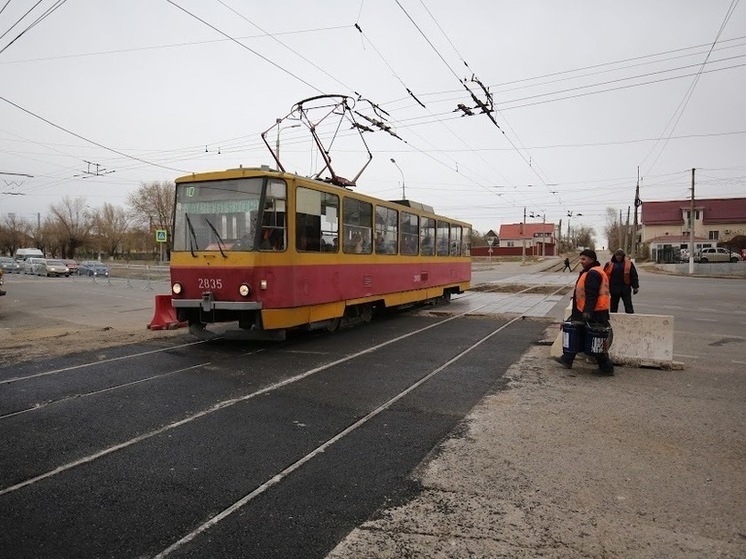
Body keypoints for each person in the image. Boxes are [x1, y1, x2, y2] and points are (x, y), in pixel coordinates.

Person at [555, 248, 614, 376]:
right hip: (584, 310)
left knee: (596, 339)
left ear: (591, 260)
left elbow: (592, 295)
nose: (581, 261)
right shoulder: (590, 271)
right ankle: (567, 359)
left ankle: (606, 367)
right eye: (581, 258)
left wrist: (587, 312)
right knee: (577, 333)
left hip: (593, 312)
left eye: (583, 259)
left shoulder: (593, 273)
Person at [603, 248, 639, 313]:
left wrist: (635, 287)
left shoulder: (629, 264)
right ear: (614, 256)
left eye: (620, 255)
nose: (618, 257)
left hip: (625, 288)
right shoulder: (609, 264)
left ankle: (631, 319)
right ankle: (613, 320)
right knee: (613, 306)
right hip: (614, 289)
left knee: (628, 305)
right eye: (617, 255)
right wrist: (604, 288)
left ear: (623, 256)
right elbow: (604, 277)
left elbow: (634, 276)